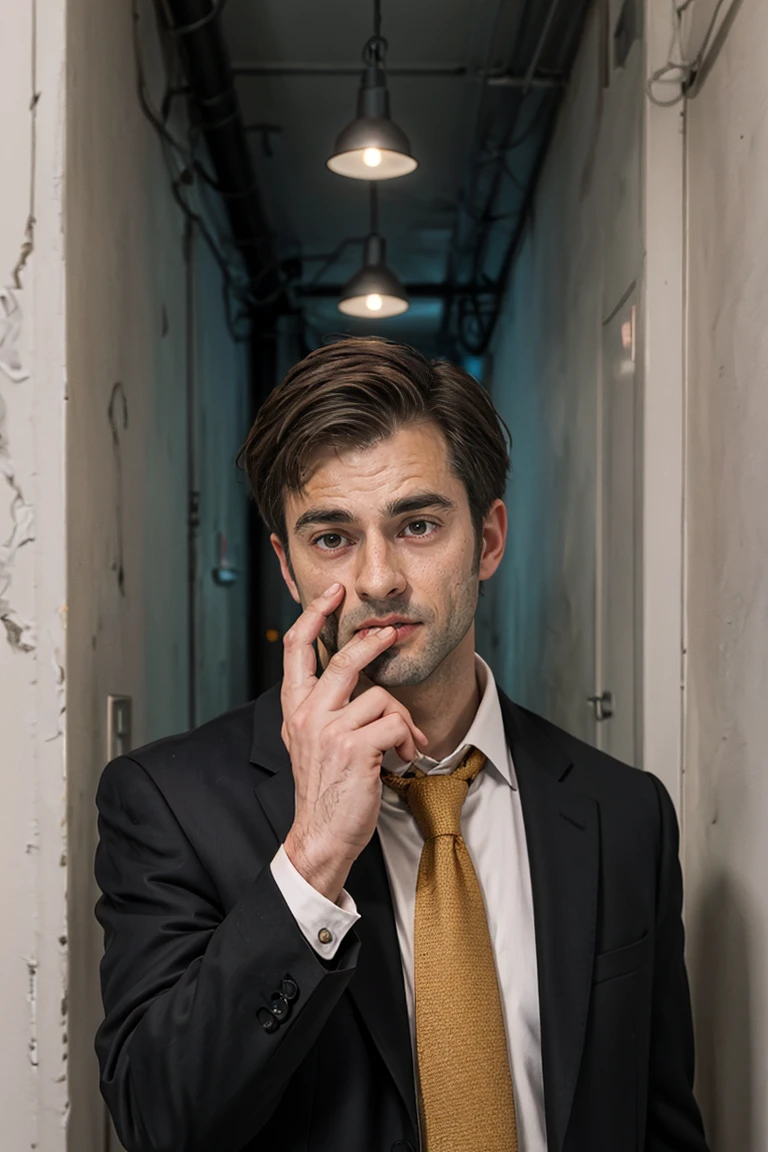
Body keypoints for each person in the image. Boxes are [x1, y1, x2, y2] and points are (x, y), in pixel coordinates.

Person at [94, 337, 709, 1152]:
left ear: (487, 540)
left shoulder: (624, 812)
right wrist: (311, 859)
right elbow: (158, 1121)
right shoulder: (167, 803)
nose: (379, 577)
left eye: (417, 525)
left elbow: (659, 1119)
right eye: (332, 538)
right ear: (288, 568)